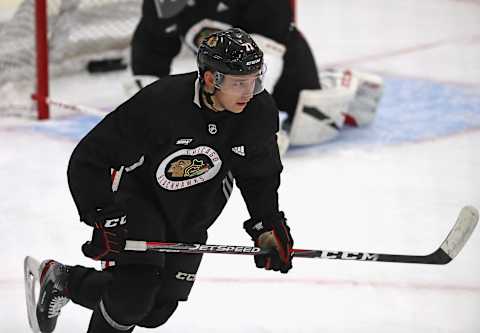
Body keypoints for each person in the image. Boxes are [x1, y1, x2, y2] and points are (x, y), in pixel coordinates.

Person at [33, 28, 293, 333]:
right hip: (140, 199)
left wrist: (266, 225)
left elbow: (259, 173)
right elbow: (89, 159)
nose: (249, 92)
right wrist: (102, 215)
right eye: (239, 83)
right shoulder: (161, 104)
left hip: (195, 210)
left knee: (155, 312)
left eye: (254, 80)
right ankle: (82, 285)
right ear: (211, 79)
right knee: (133, 297)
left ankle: (65, 280)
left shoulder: (258, 111)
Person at [127, 0, 384, 153]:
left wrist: (252, 123)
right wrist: (150, 120)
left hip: (281, 60)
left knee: (311, 127)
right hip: (219, 76)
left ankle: (338, 82)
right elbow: (150, 52)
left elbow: (270, 51)